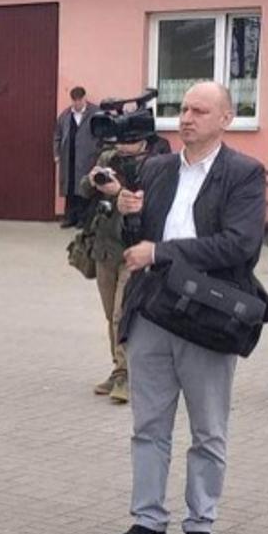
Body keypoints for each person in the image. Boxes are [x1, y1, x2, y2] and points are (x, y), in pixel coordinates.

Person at [108, 81, 268, 534]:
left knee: (208, 429)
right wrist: (126, 214)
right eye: (182, 109)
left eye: (200, 110)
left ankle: (200, 524)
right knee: (149, 424)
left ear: (226, 118)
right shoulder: (157, 168)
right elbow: (137, 239)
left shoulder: (243, 173)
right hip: (153, 311)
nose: (187, 118)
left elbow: (240, 245)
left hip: (208, 316)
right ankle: (147, 522)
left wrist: (161, 252)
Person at [76, 125, 155, 404]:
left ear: (143, 141)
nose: (123, 146)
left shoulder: (154, 165)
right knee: (111, 313)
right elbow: (83, 190)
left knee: (123, 313)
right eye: (120, 140)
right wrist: (95, 180)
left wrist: (119, 189)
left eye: (129, 141)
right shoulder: (108, 158)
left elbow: (152, 204)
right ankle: (118, 367)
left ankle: (127, 374)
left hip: (132, 248)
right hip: (105, 247)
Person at [56, 86, 99, 228]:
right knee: (70, 188)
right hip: (69, 156)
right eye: (74, 101)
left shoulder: (95, 113)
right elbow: (57, 136)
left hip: (88, 157)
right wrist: (56, 153)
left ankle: (83, 219)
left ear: (84, 98)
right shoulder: (65, 115)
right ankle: (70, 217)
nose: (77, 104)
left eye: (79, 101)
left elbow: (102, 135)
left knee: (84, 187)